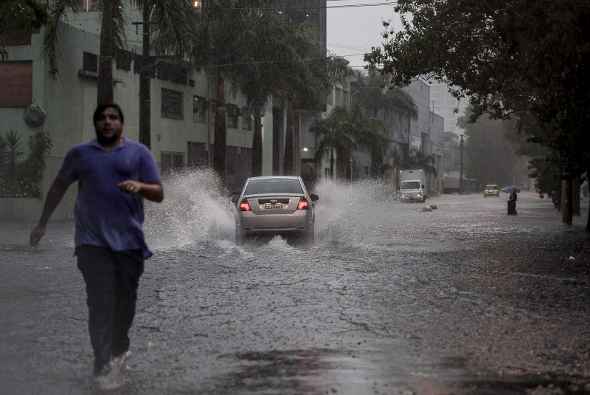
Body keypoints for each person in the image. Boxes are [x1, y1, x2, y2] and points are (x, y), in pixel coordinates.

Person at [29, 103, 163, 390]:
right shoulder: (80, 155)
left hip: (129, 244)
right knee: (100, 302)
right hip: (92, 243)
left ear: (121, 124)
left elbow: (159, 192)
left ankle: (119, 349)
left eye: (113, 118)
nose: (107, 122)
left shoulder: (139, 153)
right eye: (102, 118)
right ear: (96, 124)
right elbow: (57, 187)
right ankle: (102, 364)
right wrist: (42, 223)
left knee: (124, 305)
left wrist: (140, 187)